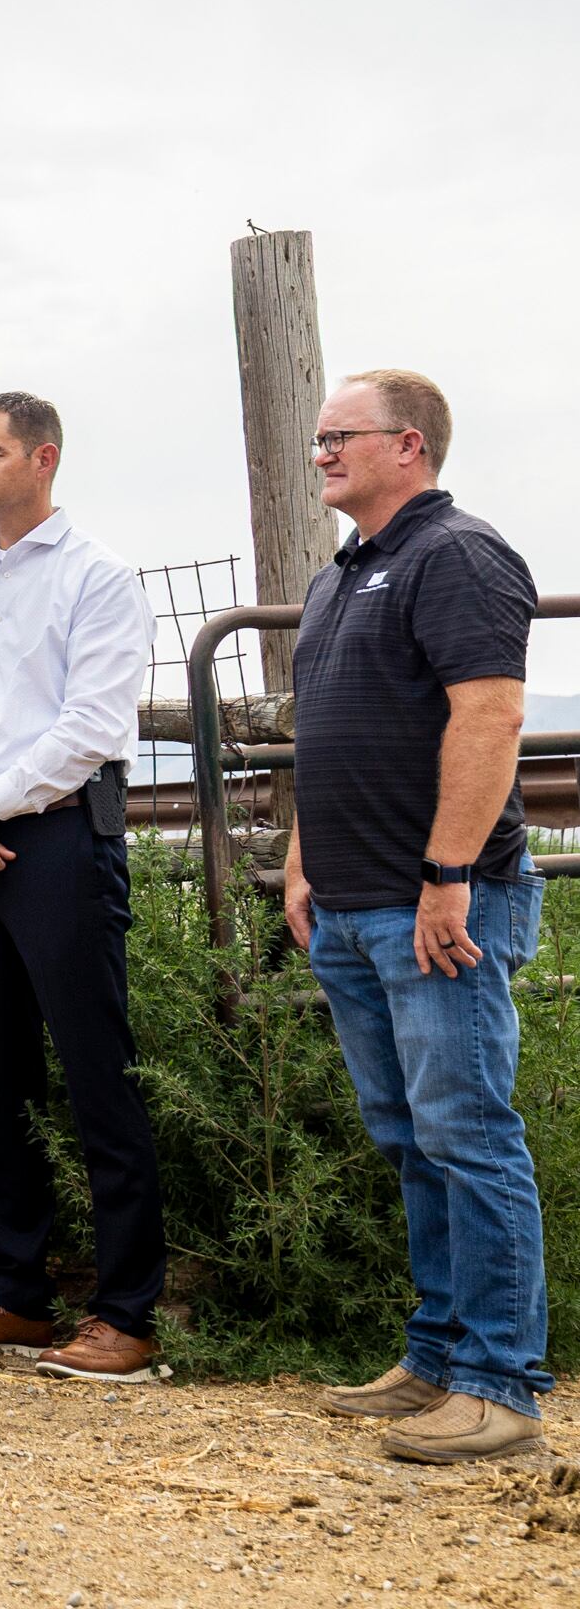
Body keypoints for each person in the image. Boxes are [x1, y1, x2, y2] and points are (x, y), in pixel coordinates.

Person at [285, 369, 551, 1463]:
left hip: (438, 901)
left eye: (339, 435)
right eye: (316, 438)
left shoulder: (458, 554)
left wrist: (450, 872)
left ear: (409, 444)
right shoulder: (340, 575)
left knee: (468, 1133)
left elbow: (490, 714)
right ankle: (438, 1352)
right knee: (409, 1137)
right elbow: (328, 729)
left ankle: (501, 1386)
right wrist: (302, 854)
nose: (321, 453)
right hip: (352, 903)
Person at [0, 392, 168, 1384]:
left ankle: (126, 1313)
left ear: (44, 457)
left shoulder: (98, 577)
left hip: (55, 841)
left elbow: (92, 725)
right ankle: (10, 1293)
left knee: (99, 1069)